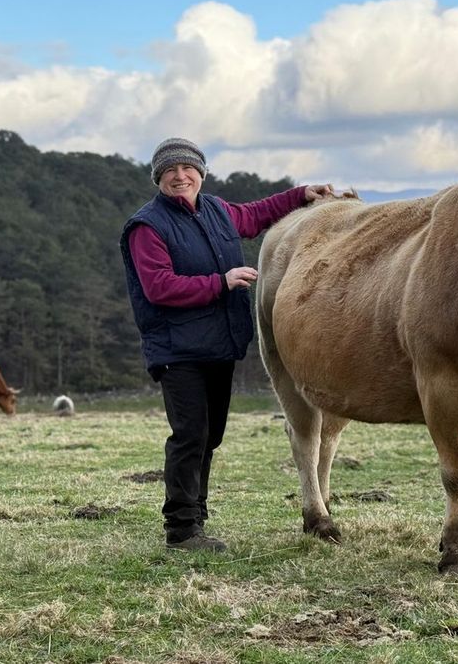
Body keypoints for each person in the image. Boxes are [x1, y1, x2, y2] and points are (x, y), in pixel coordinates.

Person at [119, 137, 334, 552]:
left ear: (200, 173)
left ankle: (195, 515)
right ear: (158, 178)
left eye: (187, 169)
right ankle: (181, 530)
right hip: (177, 350)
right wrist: (221, 282)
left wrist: (301, 195)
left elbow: (255, 215)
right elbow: (159, 287)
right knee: (189, 435)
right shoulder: (147, 227)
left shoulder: (215, 210)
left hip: (217, 346)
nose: (180, 177)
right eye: (170, 171)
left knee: (209, 435)